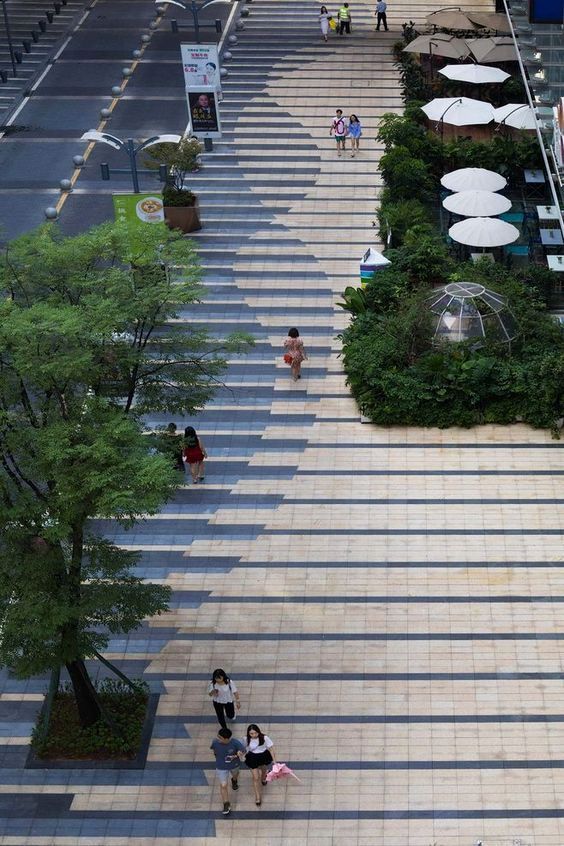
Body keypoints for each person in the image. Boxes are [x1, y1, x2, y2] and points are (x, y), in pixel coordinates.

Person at [210, 727, 245, 816]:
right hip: (221, 767)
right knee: (223, 785)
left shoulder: (235, 743)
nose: (218, 739)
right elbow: (214, 750)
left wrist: (239, 754)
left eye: (220, 738)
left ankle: (234, 780)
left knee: (235, 774)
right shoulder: (215, 742)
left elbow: (243, 750)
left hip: (234, 765)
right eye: (218, 736)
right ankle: (226, 803)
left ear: (227, 739)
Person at [241, 724, 277, 806]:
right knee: (255, 778)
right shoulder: (246, 739)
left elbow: (271, 749)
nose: (254, 735)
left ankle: (264, 779)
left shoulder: (264, 738)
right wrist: (241, 753)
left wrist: (275, 762)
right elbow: (244, 749)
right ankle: (258, 797)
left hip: (263, 756)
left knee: (264, 771)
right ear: (248, 733)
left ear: (258, 731)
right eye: (251, 734)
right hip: (252, 757)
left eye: (255, 733)